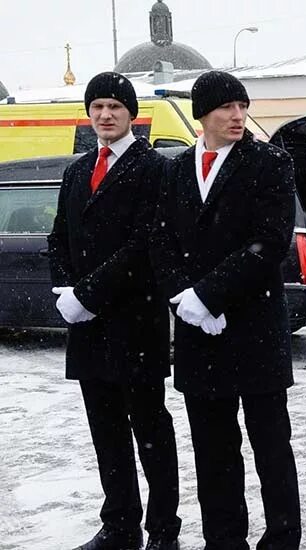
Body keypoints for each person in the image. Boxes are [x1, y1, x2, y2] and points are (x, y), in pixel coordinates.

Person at [150, 71, 301, 548]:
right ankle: (224, 538)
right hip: (199, 335)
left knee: (271, 448)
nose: (238, 116)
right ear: (203, 115)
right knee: (214, 451)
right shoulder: (172, 169)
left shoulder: (270, 163)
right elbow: (159, 241)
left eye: (242, 106)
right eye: (227, 108)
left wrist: (209, 295)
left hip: (254, 328)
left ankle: (281, 538)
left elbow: (270, 240)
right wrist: (184, 299)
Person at [47, 72, 180, 550]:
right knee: (105, 432)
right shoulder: (77, 171)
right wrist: (64, 287)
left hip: (134, 319)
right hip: (88, 326)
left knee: (149, 431)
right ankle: (119, 524)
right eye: (97, 107)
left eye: (114, 107)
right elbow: (59, 235)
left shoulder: (153, 168)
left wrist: (88, 293)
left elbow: (146, 243)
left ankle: (163, 531)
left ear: (131, 115)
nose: (105, 115)